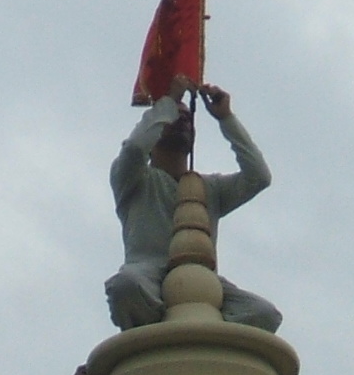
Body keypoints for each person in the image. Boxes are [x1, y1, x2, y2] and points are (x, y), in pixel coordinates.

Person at [106, 77, 280, 332]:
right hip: (148, 279)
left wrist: (226, 118)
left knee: (264, 315)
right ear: (156, 129)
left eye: (187, 120)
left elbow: (259, 177)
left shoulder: (209, 189)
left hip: (201, 285)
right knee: (125, 286)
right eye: (174, 118)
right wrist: (169, 102)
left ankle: (200, 341)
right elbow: (134, 149)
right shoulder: (136, 180)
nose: (182, 124)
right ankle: (158, 334)